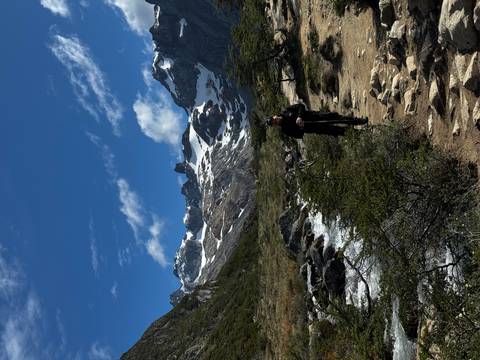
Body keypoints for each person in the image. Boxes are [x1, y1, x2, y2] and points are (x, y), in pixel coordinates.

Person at [266, 103, 368, 138]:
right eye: (274, 123)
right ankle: (360, 134)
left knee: (336, 118)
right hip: (314, 128)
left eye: (274, 119)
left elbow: (301, 106)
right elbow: (298, 135)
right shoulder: (285, 130)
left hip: (315, 116)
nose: (275, 121)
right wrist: (300, 128)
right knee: (337, 130)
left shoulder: (286, 111)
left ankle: (359, 121)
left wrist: (299, 117)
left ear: (274, 116)